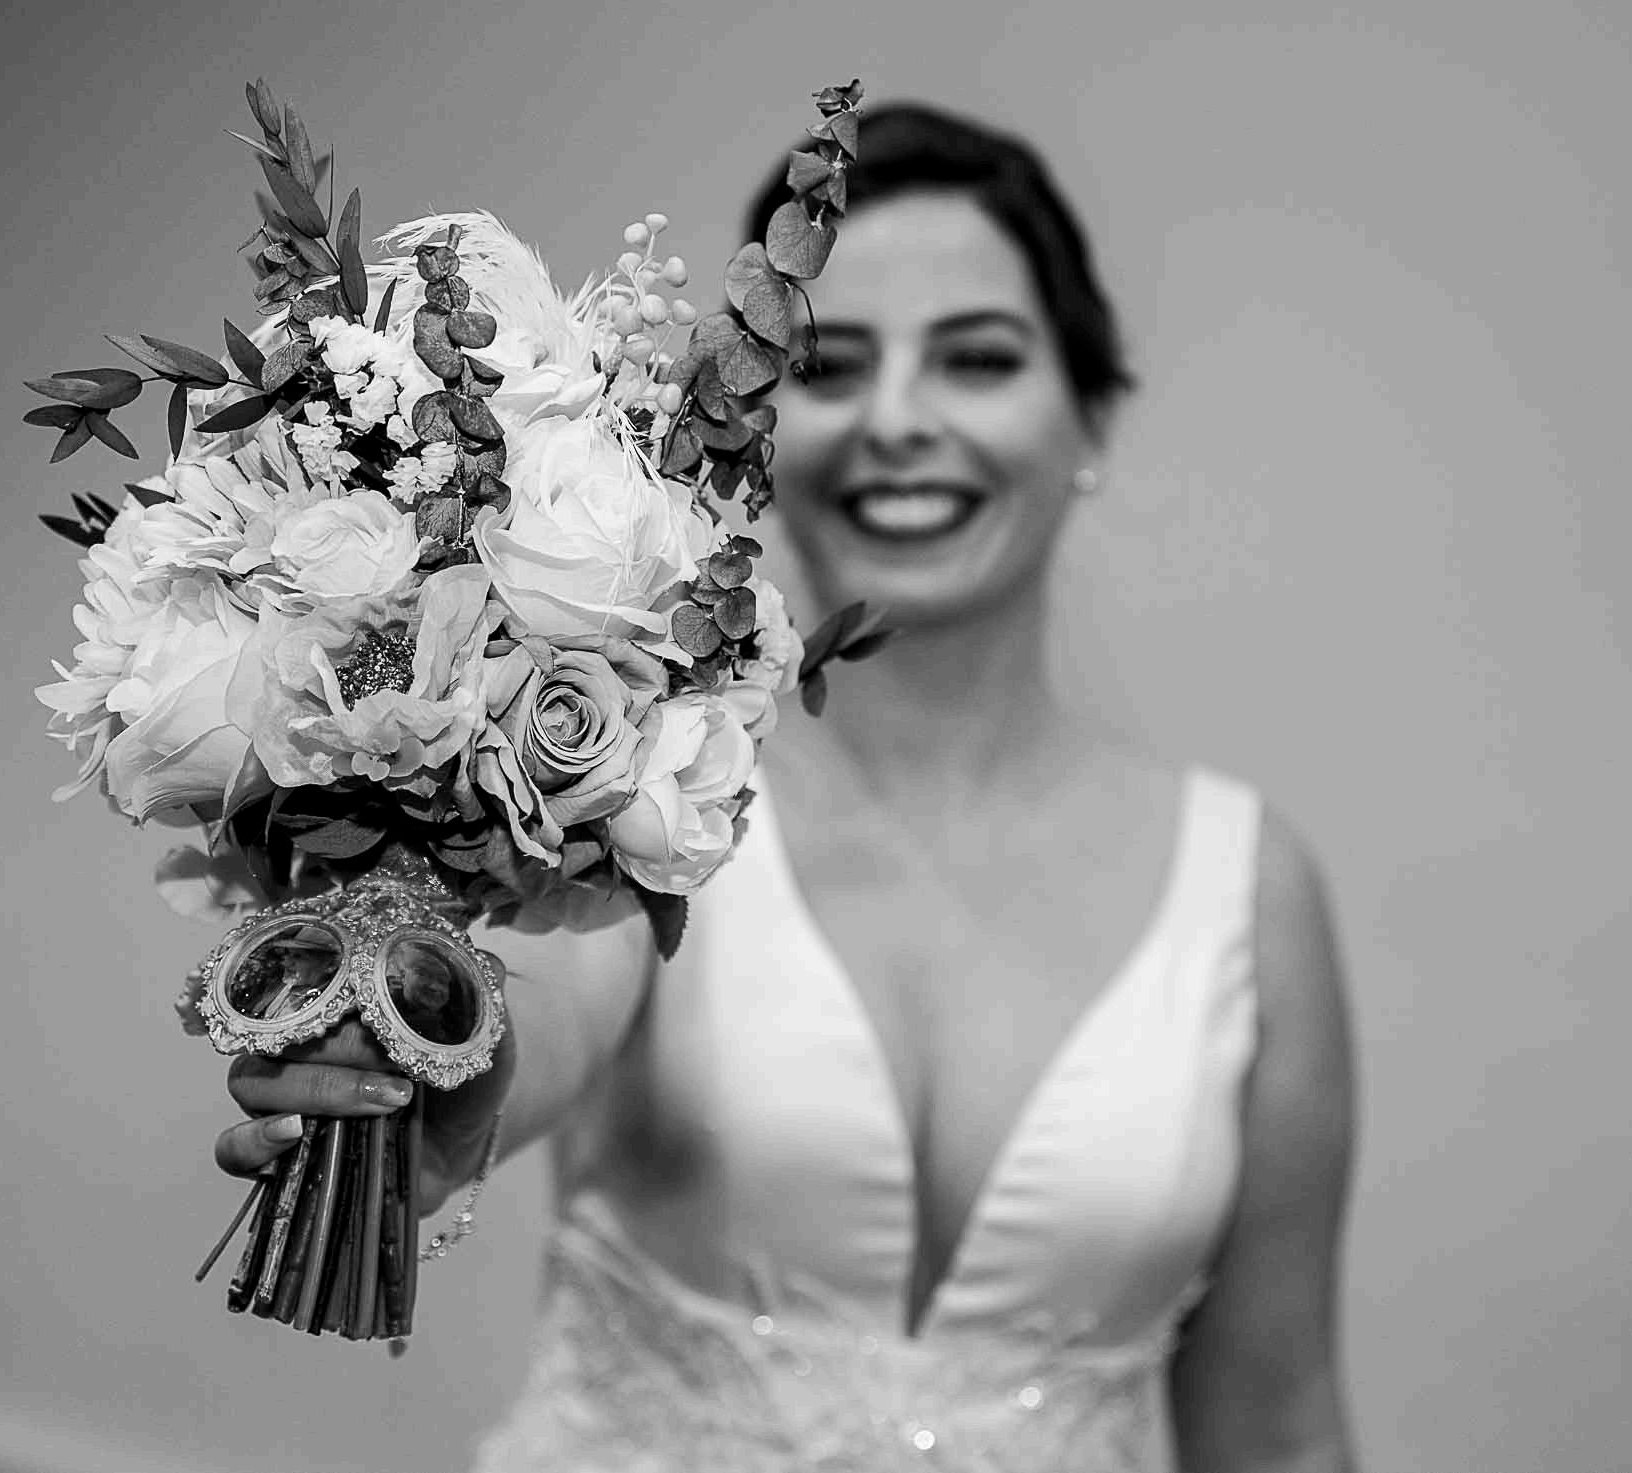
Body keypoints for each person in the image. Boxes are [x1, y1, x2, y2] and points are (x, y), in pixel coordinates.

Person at [215, 101, 1359, 1473]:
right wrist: (441, 1085)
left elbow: (1276, 1430)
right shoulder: (640, 787)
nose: (897, 419)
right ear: (757, 422)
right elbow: (544, 1017)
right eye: (831, 366)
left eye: (977, 359)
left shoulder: (1248, 892)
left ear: (1090, 415)